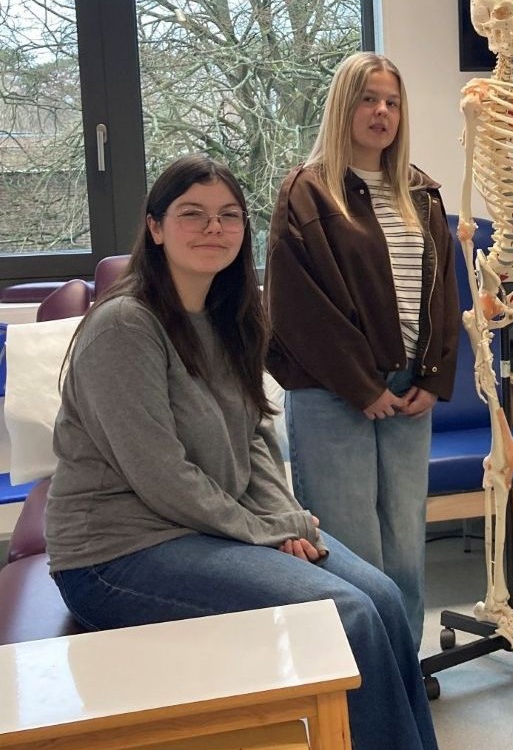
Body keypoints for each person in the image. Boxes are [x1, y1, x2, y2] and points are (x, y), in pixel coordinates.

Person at [46, 155, 439, 750]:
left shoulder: (230, 318)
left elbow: (255, 437)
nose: (214, 228)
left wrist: (284, 517)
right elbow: (161, 475)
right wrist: (261, 532)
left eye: (228, 216)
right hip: (117, 553)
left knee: (381, 595)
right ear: (155, 227)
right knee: (348, 613)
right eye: (192, 214)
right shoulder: (125, 326)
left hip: (208, 530)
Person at [265, 52, 458, 646]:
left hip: (408, 391)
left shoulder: (421, 193)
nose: (381, 112)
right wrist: (361, 385)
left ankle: (403, 665)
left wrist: (434, 376)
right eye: (368, 99)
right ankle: (357, 675)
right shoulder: (306, 192)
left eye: (392, 102)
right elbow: (299, 310)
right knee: (352, 549)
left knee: (404, 545)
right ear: (342, 107)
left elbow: (442, 293)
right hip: (334, 393)